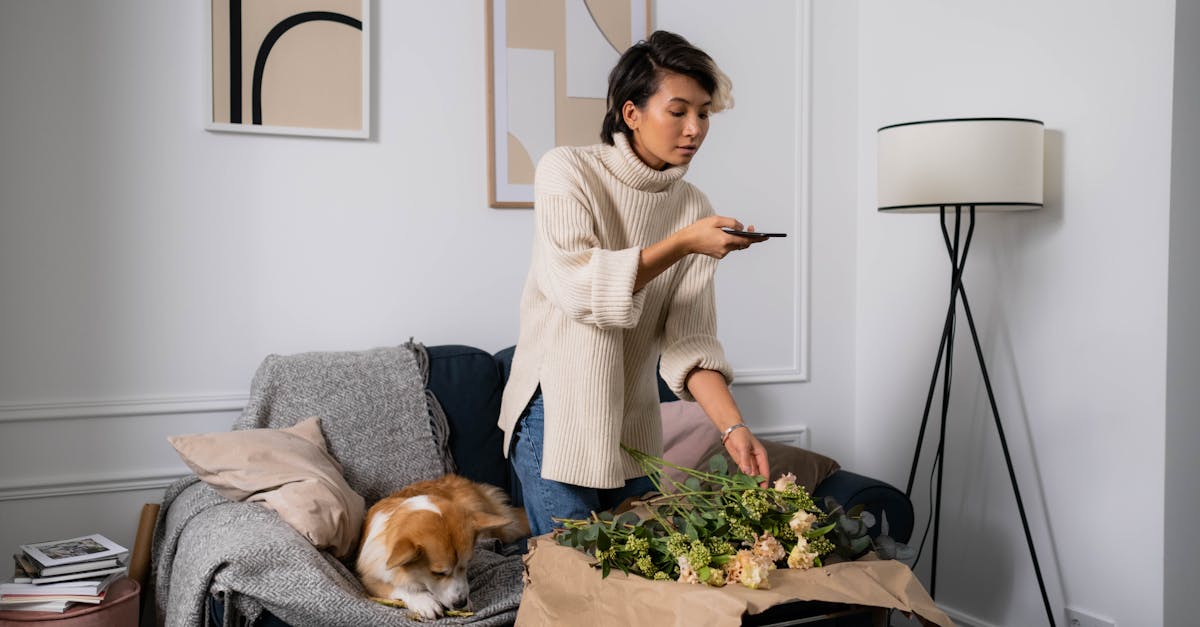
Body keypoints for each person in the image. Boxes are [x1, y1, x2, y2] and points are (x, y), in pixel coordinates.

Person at [499, 30, 771, 537]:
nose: (694, 129)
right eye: (678, 111)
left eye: (704, 113)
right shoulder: (567, 170)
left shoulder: (693, 208)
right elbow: (579, 287)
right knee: (573, 573)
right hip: (555, 414)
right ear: (631, 113)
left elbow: (691, 343)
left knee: (637, 573)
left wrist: (734, 427)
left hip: (633, 424)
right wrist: (683, 243)